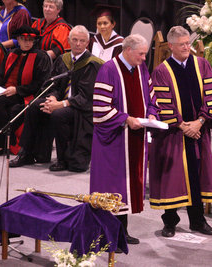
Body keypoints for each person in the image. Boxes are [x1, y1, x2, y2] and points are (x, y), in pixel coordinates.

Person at [149, 26, 212, 238]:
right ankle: (170, 222)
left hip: (198, 132)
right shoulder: (162, 71)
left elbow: (211, 96)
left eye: (188, 43)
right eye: (182, 44)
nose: (186, 47)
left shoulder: (202, 65)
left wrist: (199, 122)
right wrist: (183, 126)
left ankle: (198, 221)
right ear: (170, 46)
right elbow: (163, 104)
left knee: (196, 176)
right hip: (175, 135)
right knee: (173, 177)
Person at [89, 34, 159, 246]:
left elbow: (151, 96)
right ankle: (106, 236)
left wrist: (153, 113)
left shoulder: (141, 69)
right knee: (112, 186)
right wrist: (126, 119)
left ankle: (122, 233)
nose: (144, 58)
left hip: (134, 139)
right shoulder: (108, 69)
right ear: (127, 50)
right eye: (141, 53)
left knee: (126, 187)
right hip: (114, 141)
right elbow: (100, 108)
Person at [9, 25, 103, 171]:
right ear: (69, 41)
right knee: (35, 105)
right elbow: (53, 84)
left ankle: (63, 159)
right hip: (61, 101)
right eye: (75, 40)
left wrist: (61, 104)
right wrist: (52, 98)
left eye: (82, 41)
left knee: (59, 114)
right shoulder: (63, 59)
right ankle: (28, 153)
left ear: (87, 43)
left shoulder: (92, 64)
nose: (78, 44)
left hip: (81, 108)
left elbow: (86, 96)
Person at [0, 26, 50, 154]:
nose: (27, 43)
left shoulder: (40, 56)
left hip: (24, 93)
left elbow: (40, 83)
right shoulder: (11, 54)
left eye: (30, 40)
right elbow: (1, 76)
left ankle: (2, 142)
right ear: (18, 40)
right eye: (23, 39)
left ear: (34, 41)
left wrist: (17, 90)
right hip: (5, 91)